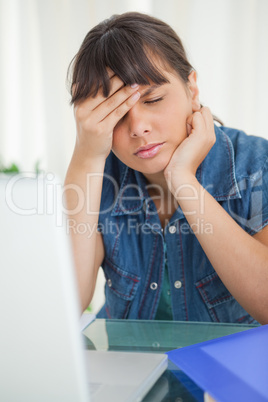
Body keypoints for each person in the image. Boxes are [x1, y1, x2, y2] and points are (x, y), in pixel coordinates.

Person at [65, 11, 268, 324]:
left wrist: (183, 180)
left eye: (154, 99)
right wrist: (85, 157)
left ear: (192, 88)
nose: (138, 127)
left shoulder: (256, 165)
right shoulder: (98, 175)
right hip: (130, 369)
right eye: (116, 113)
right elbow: (64, 308)